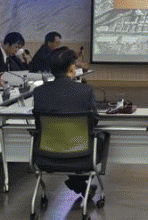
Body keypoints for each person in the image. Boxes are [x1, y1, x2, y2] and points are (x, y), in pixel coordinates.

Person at [32, 48, 99, 196]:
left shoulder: (39, 92)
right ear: (71, 68)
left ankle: (78, 183)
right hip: (81, 155)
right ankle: (78, 182)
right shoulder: (85, 91)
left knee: (64, 138)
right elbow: (94, 120)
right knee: (98, 137)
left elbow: (38, 125)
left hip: (46, 155)